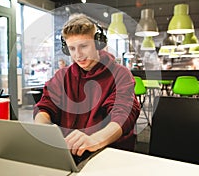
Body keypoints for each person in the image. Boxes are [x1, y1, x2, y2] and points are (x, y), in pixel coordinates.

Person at [33, 14, 140, 157]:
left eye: (83, 46)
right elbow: (45, 106)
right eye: (72, 48)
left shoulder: (120, 74)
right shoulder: (62, 76)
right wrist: (45, 131)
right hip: (68, 153)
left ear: (98, 44)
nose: (78, 55)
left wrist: (94, 140)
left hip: (106, 153)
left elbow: (123, 115)